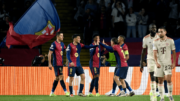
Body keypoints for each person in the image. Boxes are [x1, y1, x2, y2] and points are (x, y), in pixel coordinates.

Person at [153, 27, 176, 101]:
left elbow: (174, 52)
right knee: (160, 80)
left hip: (168, 63)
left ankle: (170, 96)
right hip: (159, 64)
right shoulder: (155, 41)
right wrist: (156, 62)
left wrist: (174, 62)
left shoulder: (170, 40)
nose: (160, 33)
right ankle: (162, 97)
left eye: (161, 32)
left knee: (169, 79)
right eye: (159, 32)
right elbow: (154, 53)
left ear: (165, 32)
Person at [140, 24, 159, 101]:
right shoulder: (145, 38)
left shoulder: (159, 36)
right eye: (152, 28)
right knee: (152, 75)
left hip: (159, 59)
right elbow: (143, 51)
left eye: (155, 28)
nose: (154, 29)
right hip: (150, 59)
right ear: (149, 29)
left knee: (158, 77)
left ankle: (152, 90)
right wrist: (141, 63)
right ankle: (154, 95)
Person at [48, 32, 70, 97]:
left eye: (63, 36)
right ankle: (66, 91)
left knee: (57, 78)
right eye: (61, 36)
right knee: (61, 76)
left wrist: (67, 61)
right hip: (56, 64)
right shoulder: (54, 44)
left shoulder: (63, 44)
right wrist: (49, 63)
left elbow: (67, 52)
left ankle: (51, 92)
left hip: (61, 64)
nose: (63, 37)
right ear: (57, 36)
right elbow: (49, 53)